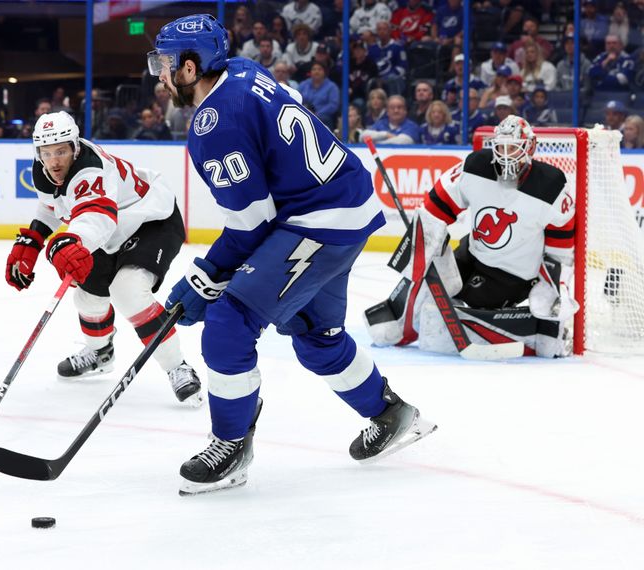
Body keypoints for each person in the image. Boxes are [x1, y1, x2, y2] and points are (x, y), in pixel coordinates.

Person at [148, 14, 435, 495]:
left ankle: (230, 446)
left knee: (228, 323)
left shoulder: (214, 126)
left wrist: (203, 279)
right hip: (349, 203)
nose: (158, 72)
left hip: (317, 221)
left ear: (192, 68)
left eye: (165, 62)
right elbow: (293, 110)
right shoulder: (241, 69)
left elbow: (251, 225)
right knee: (314, 333)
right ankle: (390, 414)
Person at [5, 111, 202, 404]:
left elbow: (98, 216)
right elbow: (54, 206)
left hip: (151, 220)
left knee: (128, 290)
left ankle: (178, 367)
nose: (54, 161)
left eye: (60, 151)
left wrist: (71, 241)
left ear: (74, 146)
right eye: (47, 153)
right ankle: (100, 352)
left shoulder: (90, 168)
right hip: (111, 230)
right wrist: (33, 239)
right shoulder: (42, 169)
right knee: (87, 297)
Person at [365, 115, 577, 359]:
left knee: (449, 310)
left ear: (529, 148)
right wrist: (428, 236)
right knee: (424, 279)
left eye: (513, 148)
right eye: (501, 147)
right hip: (470, 255)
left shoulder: (551, 185)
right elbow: (437, 205)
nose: (506, 155)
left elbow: (560, 242)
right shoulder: (476, 166)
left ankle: (536, 334)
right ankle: (400, 326)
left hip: (512, 278)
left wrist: (551, 283)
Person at [298, 61, 340, 130]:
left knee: (324, 119)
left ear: (324, 72)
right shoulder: (303, 84)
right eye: (314, 69)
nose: (316, 72)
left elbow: (333, 105)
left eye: (319, 69)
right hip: (304, 114)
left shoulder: (332, 87)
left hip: (322, 117)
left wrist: (317, 113)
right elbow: (296, 99)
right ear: (310, 72)